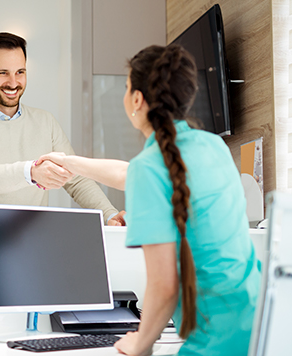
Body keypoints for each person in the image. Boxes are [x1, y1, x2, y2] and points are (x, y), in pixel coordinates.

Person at [38, 44, 261, 355]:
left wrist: (141, 342)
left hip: (216, 336)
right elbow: (130, 173)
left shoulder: (151, 167)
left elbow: (164, 285)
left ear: (137, 100)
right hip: (261, 319)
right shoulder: (212, 146)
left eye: (127, 86)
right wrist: (70, 162)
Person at [0, 32, 124, 225]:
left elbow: (76, 179)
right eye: (3, 73)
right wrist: (31, 172)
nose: (13, 83)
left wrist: (109, 214)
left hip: (34, 236)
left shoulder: (45, 121)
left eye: (20, 72)